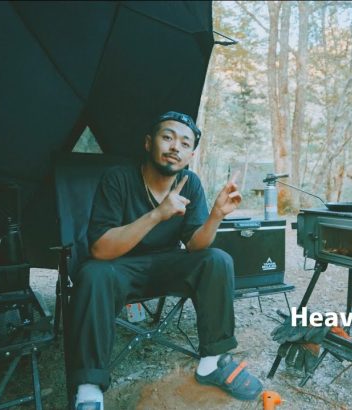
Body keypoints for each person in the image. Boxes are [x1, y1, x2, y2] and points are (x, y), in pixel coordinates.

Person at [70, 111, 263, 409]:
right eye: (168, 137)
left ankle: (212, 362)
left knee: (217, 259)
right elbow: (100, 250)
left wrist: (215, 216)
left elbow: (195, 245)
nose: (175, 147)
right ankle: (89, 388)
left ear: (191, 155)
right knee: (93, 273)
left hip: (166, 265)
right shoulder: (118, 178)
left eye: (185, 143)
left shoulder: (190, 182)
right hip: (119, 267)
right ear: (149, 143)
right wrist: (158, 214)